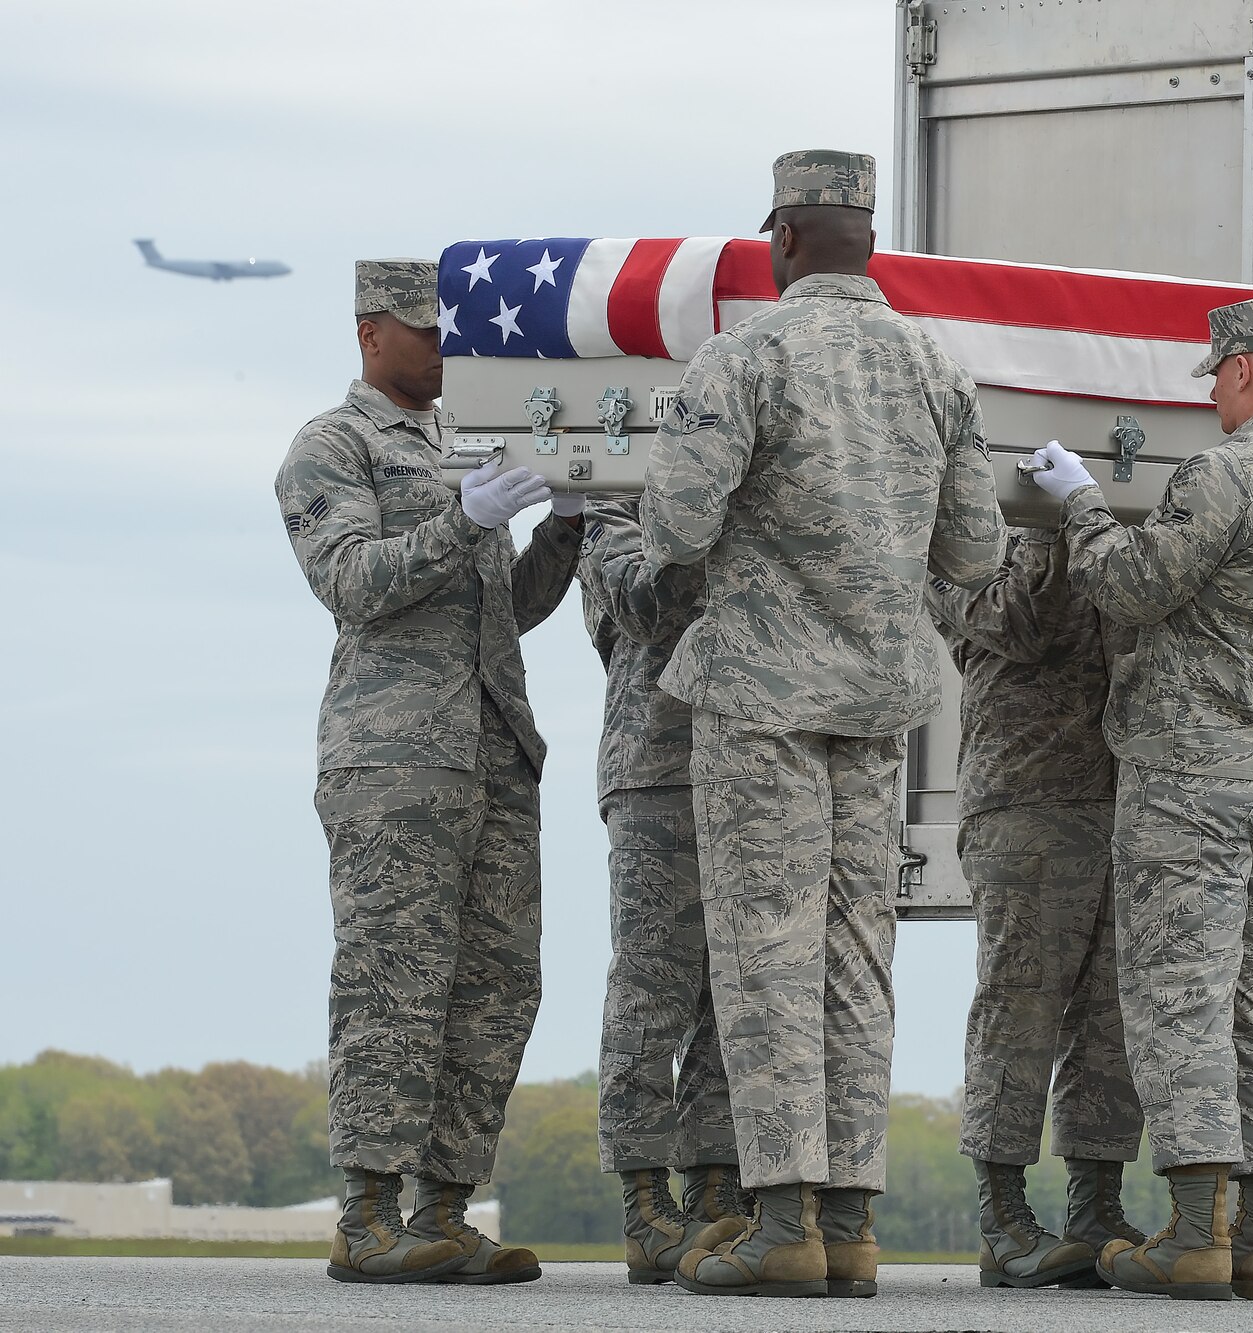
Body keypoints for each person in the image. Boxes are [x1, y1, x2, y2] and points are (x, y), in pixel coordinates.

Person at [640, 149, 1003, 1299]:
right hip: (878, 708)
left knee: (766, 952)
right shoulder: (936, 366)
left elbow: (676, 529)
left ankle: (781, 1220)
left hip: (762, 702)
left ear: (783, 238)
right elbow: (976, 552)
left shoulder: (743, 356)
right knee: (856, 957)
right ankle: (849, 1226)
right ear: (869, 240)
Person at [1027, 297, 1253, 1302]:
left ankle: (1196, 1234)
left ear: (1238, 371)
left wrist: (1080, 505)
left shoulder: (1222, 472)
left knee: (1178, 997)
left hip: (1193, 777)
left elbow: (1131, 586)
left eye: (1215, 383)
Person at [275, 259, 584, 1284]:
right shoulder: (334, 445)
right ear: (370, 333)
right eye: (423, 328)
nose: (446, 346)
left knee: (498, 983)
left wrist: (566, 524)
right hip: (397, 755)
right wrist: (466, 519)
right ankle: (368, 1215)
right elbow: (352, 582)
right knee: (392, 980)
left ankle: (444, 1210)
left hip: (493, 753)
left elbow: (508, 607)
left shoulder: (470, 444)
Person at [927, 528, 1147, 1291]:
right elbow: (1021, 620)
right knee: (1018, 1009)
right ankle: (1003, 1219)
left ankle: (1096, 1208)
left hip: (1120, 796)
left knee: (1110, 1020)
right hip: (1025, 797)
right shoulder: (969, 543)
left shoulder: (1107, 521)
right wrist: (1060, 520)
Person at [577, 498, 747, 1284]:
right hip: (658, 760)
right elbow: (641, 602)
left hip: (750, 763)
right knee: (652, 988)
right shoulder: (614, 500)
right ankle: (645, 1201)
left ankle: (718, 1186)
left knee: (734, 991)